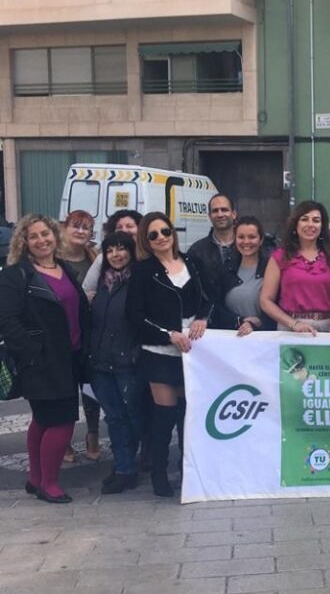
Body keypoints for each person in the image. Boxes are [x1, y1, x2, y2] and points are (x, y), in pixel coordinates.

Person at [0, 214, 90, 503]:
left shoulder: (63, 268)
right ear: (24, 242)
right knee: (62, 421)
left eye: (45, 234)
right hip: (41, 360)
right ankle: (49, 484)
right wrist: (32, 353)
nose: (41, 240)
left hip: (70, 356)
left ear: (55, 235)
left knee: (42, 420)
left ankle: (36, 478)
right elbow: (7, 320)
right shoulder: (16, 275)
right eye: (33, 236)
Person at [127, 212, 210, 497]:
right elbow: (134, 315)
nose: (161, 237)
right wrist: (168, 334)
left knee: (188, 414)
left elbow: (207, 299)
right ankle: (159, 474)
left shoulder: (192, 263)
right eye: (153, 235)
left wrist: (202, 317)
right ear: (146, 241)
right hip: (160, 351)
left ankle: (188, 468)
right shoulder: (142, 271)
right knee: (164, 415)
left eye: (165, 231)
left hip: (192, 352)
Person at [87, 231, 143, 494]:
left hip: (126, 361)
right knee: (114, 417)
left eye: (121, 249)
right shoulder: (102, 283)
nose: (116, 255)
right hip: (100, 362)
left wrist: (133, 352)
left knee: (131, 416)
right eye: (110, 250)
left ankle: (127, 466)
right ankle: (124, 467)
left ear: (131, 252)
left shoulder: (138, 281)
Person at [260, 201, 330, 335]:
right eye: (304, 219)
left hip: (329, 329)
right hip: (291, 327)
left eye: (316, 220)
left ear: (322, 226)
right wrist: (293, 324)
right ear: (295, 225)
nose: (310, 224)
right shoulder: (280, 257)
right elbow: (265, 300)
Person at [60, 209, 101, 462]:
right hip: (62, 335)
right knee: (64, 389)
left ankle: (93, 434)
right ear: (65, 228)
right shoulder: (52, 259)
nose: (80, 231)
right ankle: (64, 439)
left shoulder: (94, 258)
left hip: (89, 333)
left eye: (86, 227)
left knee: (90, 388)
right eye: (76, 225)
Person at [213, 216, 276, 335]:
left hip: (264, 339)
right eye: (241, 237)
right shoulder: (226, 269)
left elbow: (279, 306)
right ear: (235, 239)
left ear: (261, 240)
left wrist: (259, 322)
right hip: (231, 339)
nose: (246, 242)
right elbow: (216, 308)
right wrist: (239, 321)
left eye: (252, 237)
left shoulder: (271, 269)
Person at [187, 194, 238, 304]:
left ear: (233, 214)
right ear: (209, 216)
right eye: (215, 211)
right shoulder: (196, 251)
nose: (220, 214)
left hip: (246, 316)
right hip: (212, 317)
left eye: (224, 210)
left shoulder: (248, 247)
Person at [82, 210, 144, 297]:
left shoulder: (146, 256)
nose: (124, 230)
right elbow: (87, 290)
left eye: (129, 226)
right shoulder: (103, 259)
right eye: (119, 227)